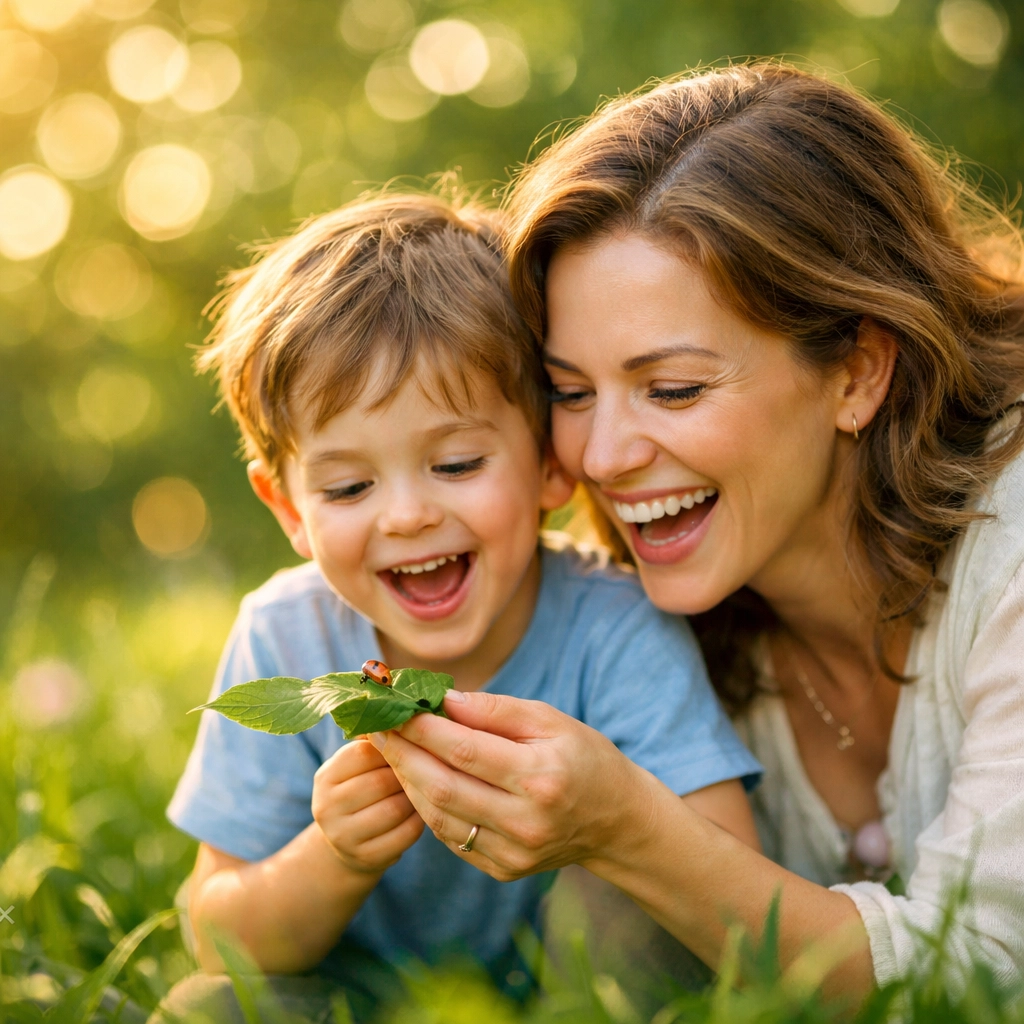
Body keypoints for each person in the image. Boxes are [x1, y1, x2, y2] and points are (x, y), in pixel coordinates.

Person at [370, 64, 1024, 1000]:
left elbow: (986, 984)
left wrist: (634, 833)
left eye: (672, 389)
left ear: (857, 373)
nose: (602, 456)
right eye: (569, 392)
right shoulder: (629, 621)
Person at [156, 194, 761, 1021]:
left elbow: (731, 881)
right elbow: (218, 930)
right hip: (366, 1002)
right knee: (208, 1004)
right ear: (290, 509)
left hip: (574, 1000)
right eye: (348, 486)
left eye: (456, 463)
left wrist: (608, 821)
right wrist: (335, 855)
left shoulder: (613, 626)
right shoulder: (284, 636)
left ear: (552, 465)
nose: (405, 515)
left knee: (618, 906)